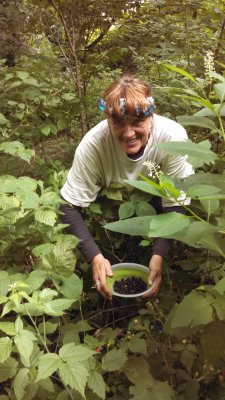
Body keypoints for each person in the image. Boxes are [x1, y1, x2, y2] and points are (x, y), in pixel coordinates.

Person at [60, 74, 193, 300]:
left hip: (158, 201)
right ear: (109, 122)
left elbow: (177, 204)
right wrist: (95, 257)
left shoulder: (173, 138)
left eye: (137, 122)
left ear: (152, 117)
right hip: (110, 202)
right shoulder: (94, 145)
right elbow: (68, 206)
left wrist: (159, 254)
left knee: (155, 256)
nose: (129, 133)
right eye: (119, 123)